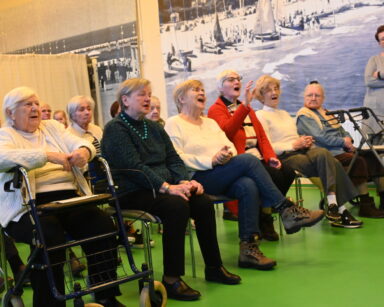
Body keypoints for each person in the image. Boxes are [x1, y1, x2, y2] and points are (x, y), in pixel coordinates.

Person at [101, 78, 241, 302]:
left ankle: (214, 267)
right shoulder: (115, 129)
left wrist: (186, 182)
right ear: (125, 100)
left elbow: (174, 159)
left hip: (162, 187)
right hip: (132, 190)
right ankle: (171, 278)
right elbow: (134, 168)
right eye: (141, 95)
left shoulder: (154, 127)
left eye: (148, 93)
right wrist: (167, 187)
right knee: (176, 206)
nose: (147, 98)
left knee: (202, 202)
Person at [164, 79, 324, 271]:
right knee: (249, 160)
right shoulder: (174, 123)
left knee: (247, 184)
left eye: (202, 90)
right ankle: (286, 209)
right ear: (181, 98)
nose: (202, 93)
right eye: (196, 90)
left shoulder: (210, 123)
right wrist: (211, 160)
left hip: (220, 171)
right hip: (197, 177)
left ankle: (249, 249)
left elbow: (229, 145)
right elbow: (177, 158)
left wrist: (225, 154)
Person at [0, 87, 122, 307]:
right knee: (48, 237)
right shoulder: (6, 134)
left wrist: (84, 152)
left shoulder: (52, 128)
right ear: (11, 113)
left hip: (67, 198)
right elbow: (3, 157)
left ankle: (105, 293)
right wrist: (47, 156)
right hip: (27, 205)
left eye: (36, 103)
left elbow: (78, 142)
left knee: (102, 226)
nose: (35, 108)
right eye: (27, 104)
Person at [254, 75, 362, 229]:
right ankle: (339, 209)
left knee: (325, 154)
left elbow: (293, 137)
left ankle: (333, 205)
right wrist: (294, 144)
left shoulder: (284, 114)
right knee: (329, 158)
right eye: (269, 90)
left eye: (276, 88)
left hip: (301, 152)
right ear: (261, 95)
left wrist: (303, 140)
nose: (274, 92)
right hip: (284, 157)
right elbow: (268, 147)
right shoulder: (261, 115)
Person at [208, 69, 296, 241]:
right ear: (220, 87)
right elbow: (227, 132)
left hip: (259, 158)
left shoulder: (246, 107)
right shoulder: (215, 110)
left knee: (287, 172)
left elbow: (261, 137)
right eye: (230, 79)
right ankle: (266, 217)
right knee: (273, 177)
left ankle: (265, 213)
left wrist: (272, 157)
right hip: (240, 161)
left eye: (237, 79)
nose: (236, 82)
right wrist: (245, 107)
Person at [296, 81, 384, 217]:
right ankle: (365, 205)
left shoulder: (325, 112)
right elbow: (321, 138)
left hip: (341, 149)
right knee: (359, 161)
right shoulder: (304, 116)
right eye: (310, 95)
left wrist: (349, 140)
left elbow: (343, 131)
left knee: (373, 156)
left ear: (323, 98)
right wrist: (343, 142)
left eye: (317, 95)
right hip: (327, 154)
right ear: (304, 97)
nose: (313, 98)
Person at [363, 25, 384, 135]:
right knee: (375, 145)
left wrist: (380, 74)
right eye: (382, 39)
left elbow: (376, 78)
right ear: (379, 43)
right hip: (376, 111)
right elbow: (369, 81)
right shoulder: (374, 60)